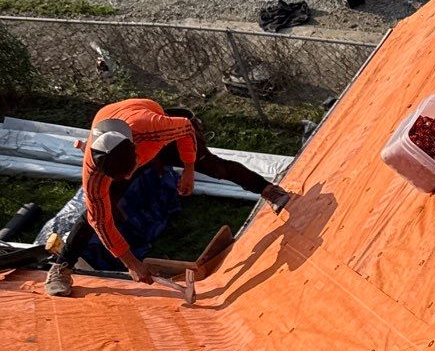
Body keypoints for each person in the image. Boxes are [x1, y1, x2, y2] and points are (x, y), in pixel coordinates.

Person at [45, 98, 290, 298]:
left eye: (132, 169)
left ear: (134, 149)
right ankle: (61, 267)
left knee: (215, 167)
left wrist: (189, 171)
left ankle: (268, 190)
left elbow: (184, 128)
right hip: (126, 152)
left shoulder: (152, 126)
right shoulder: (94, 174)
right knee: (93, 212)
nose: (131, 176)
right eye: (124, 175)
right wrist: (131, 262)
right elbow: (99, 220)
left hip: (158, 139)